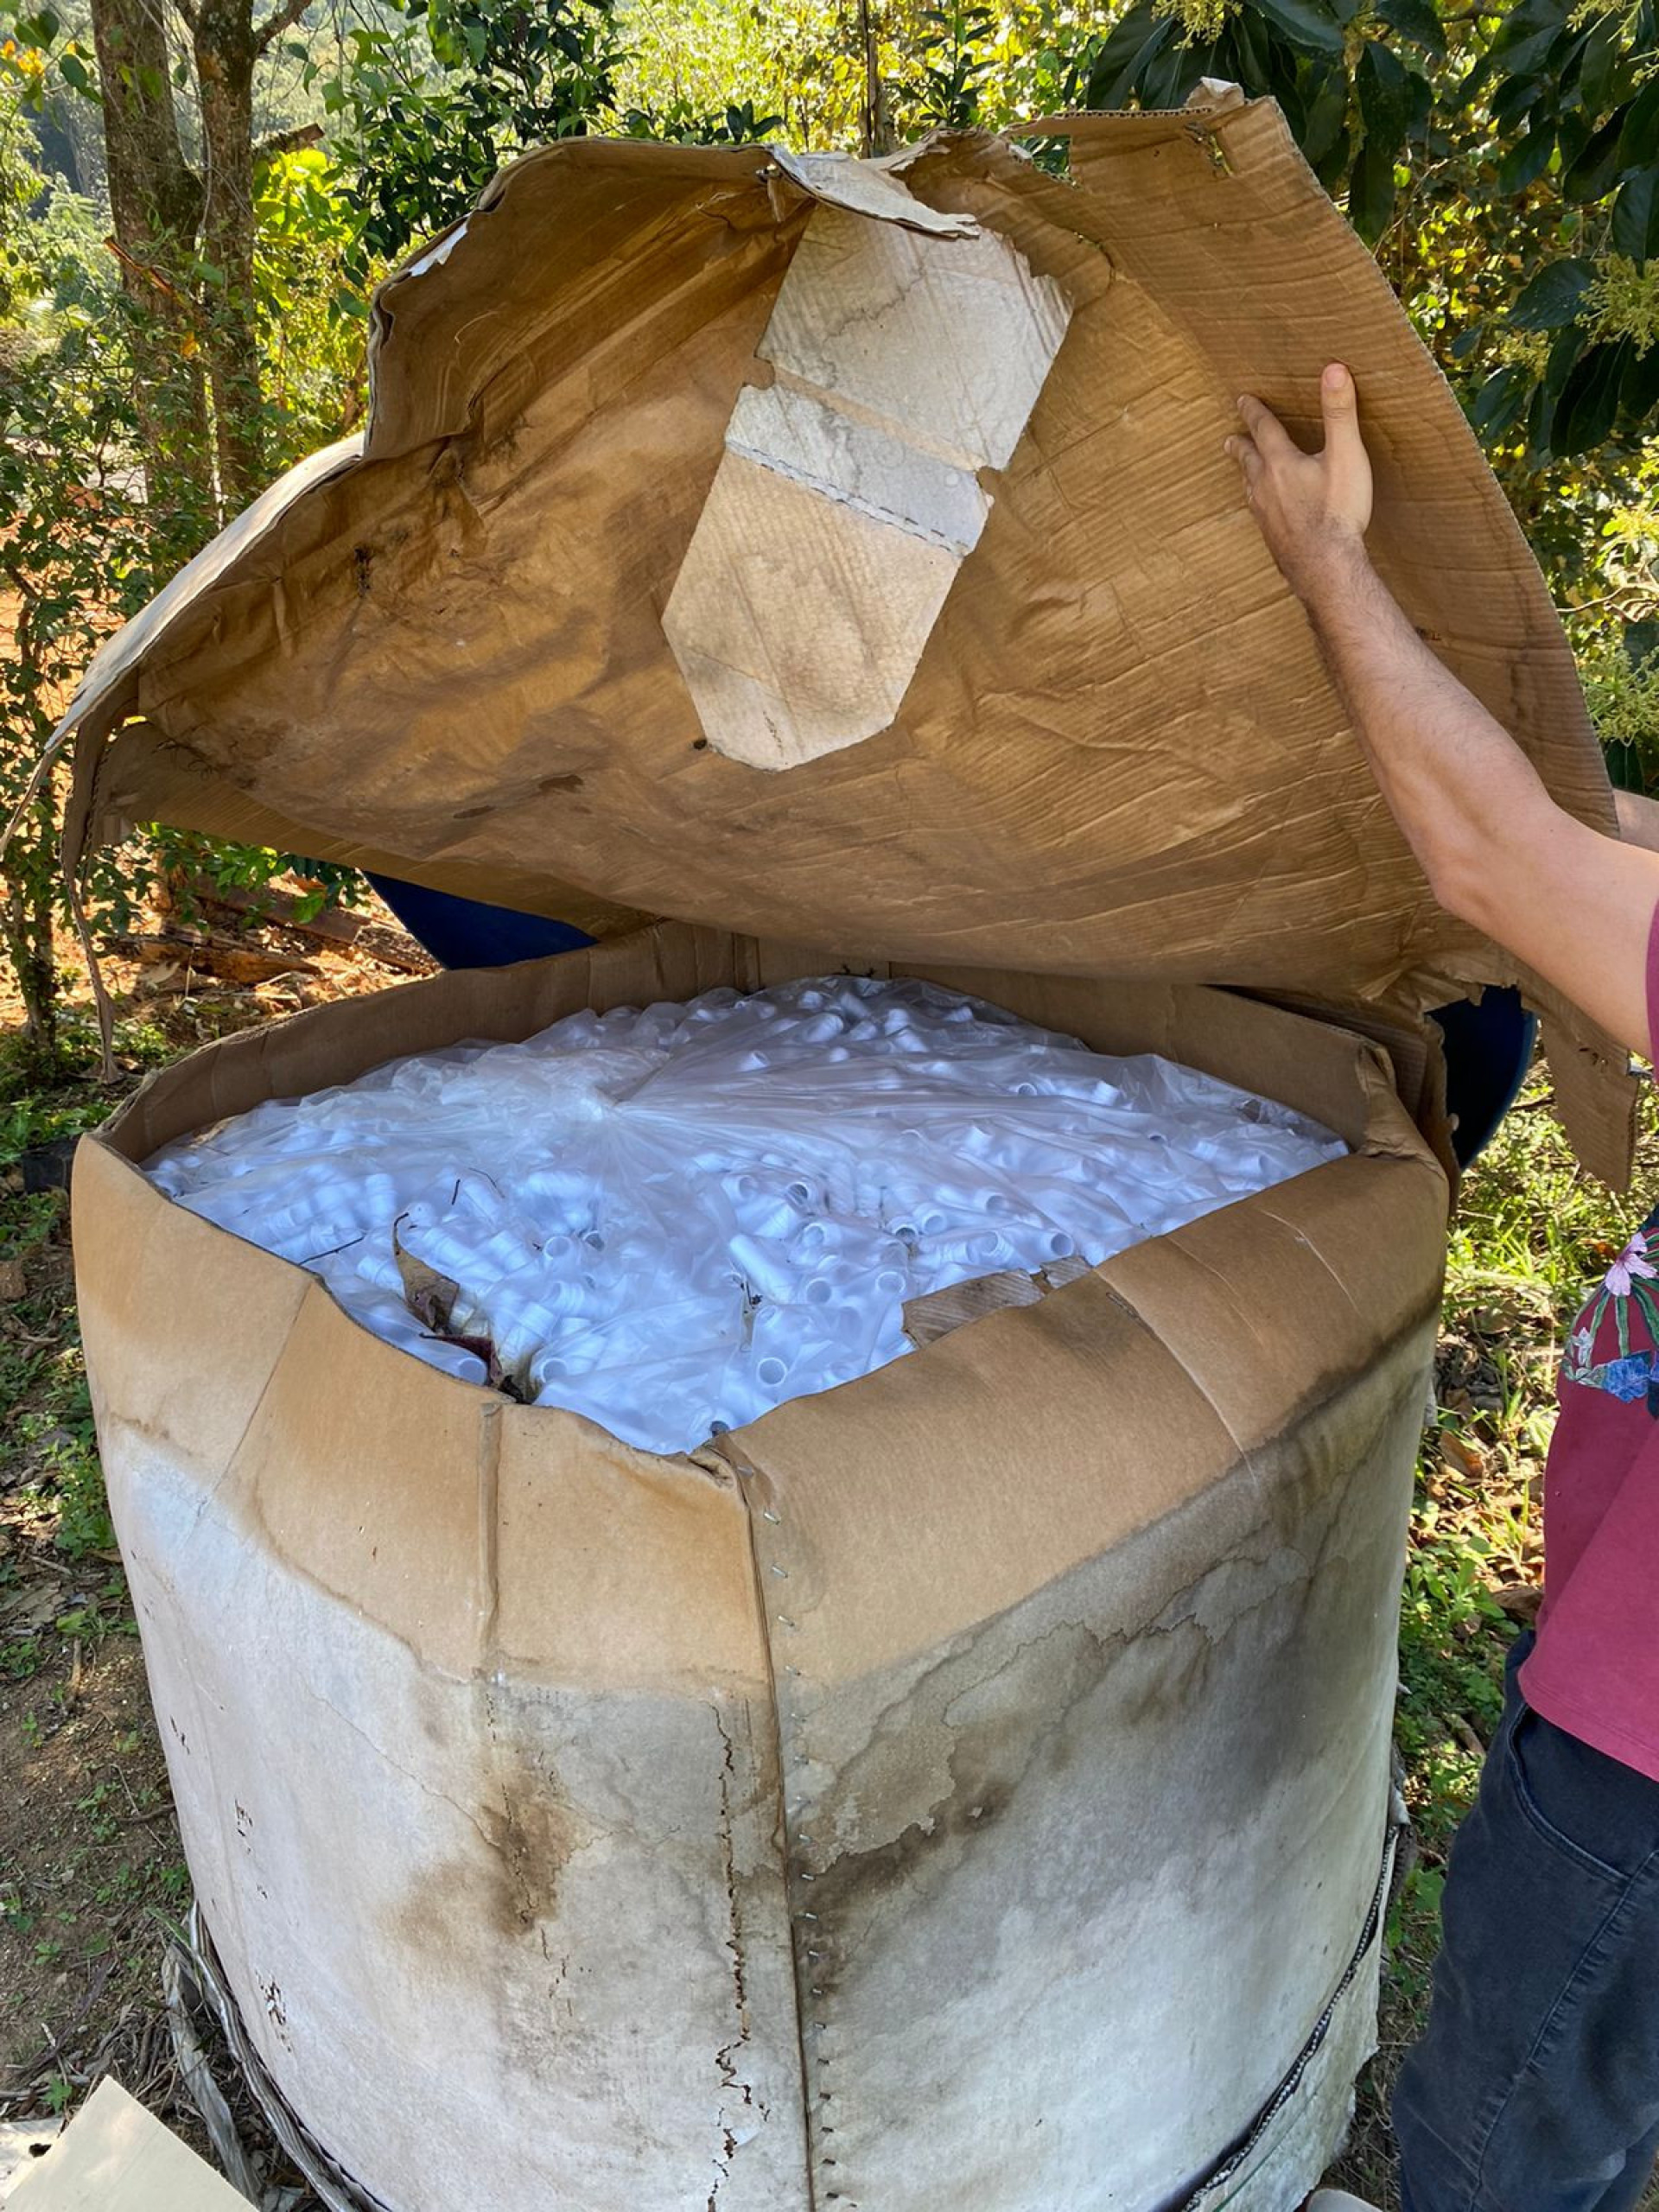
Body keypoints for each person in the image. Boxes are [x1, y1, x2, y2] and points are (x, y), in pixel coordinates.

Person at [1224, 368, 1659, 2212]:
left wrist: (1326, 564)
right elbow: (1601, 845)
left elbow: (1496, 855)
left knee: (1499, 2130)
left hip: (1642, 1747)